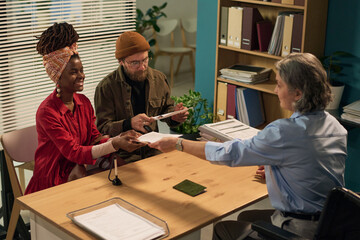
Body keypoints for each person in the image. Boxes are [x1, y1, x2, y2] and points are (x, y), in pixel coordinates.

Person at [149, 53, 347, 239]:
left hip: (299, 229)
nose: (275, 90)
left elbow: (229, 153)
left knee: (223, 229)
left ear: (297, 93)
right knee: (246, 217)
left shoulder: (284, 132)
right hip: (332, 222)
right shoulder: (335, 126)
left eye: (279, 85)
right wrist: (277, 170)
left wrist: (178, 143)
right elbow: (311, 166)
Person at [25, 23, 145, 194]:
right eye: (74, 72)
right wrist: (115, 144)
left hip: (77, 169)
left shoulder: (83, 102)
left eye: (82, 70)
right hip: (51, 180)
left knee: (123, 169)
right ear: (58, 76)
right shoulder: (47, 112)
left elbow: (94, 139)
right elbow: (74, 153)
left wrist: (118, 138)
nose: (81, 75)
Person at [94, 31, 188, 163]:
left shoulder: (159, 79)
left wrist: (174, 116)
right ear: (121, 62)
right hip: (123, 154)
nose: (142, 67)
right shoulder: (106, 87)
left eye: (145, 59)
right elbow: (102, 128)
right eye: (134, 63)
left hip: (153, 149)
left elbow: (166, 109)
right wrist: (129, 123)